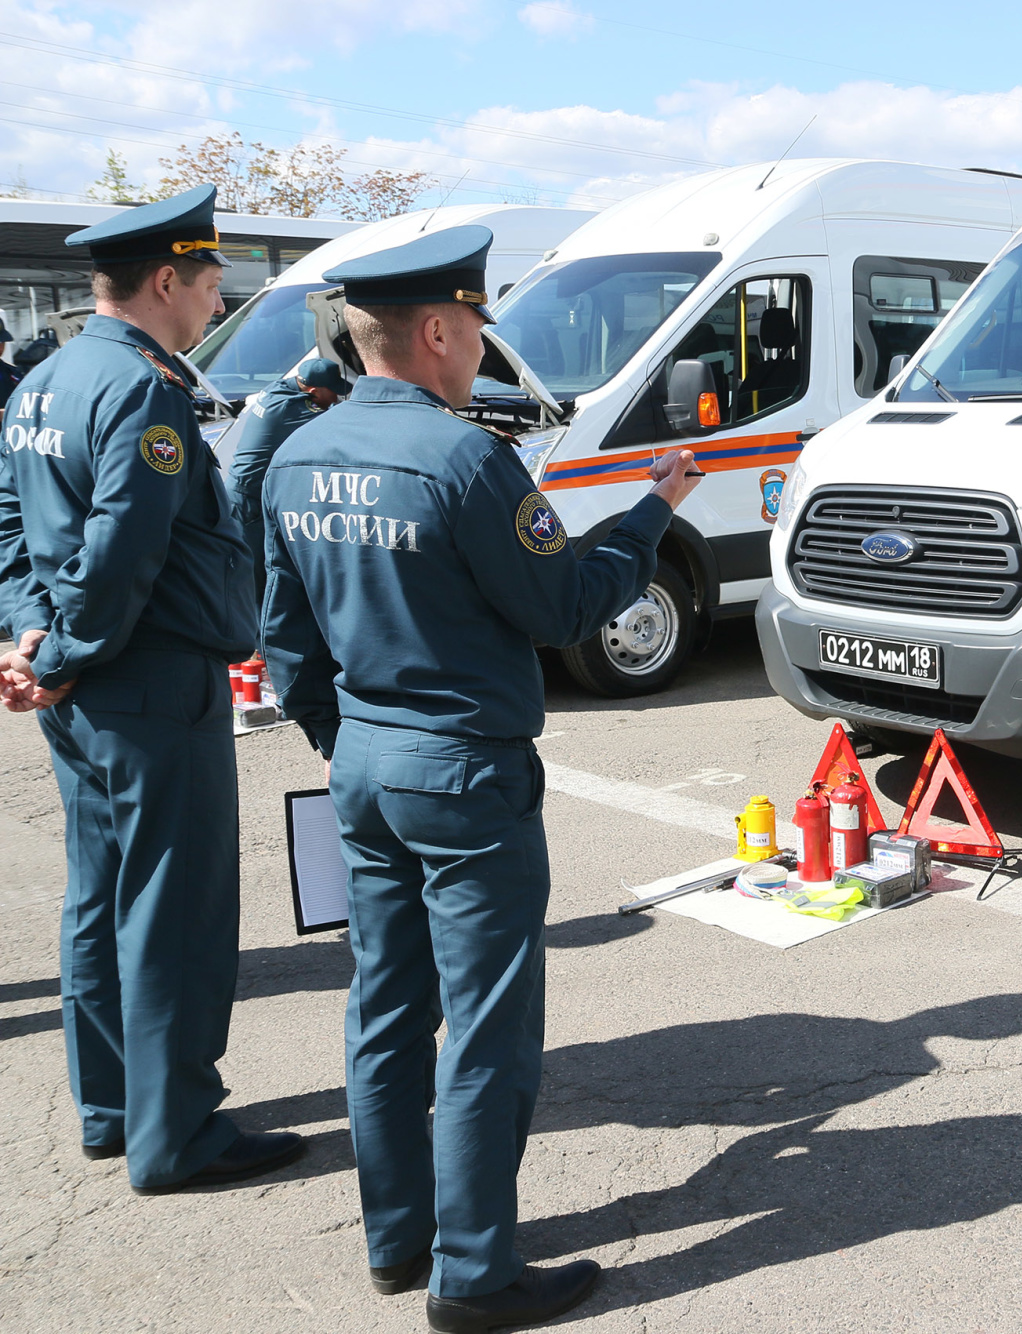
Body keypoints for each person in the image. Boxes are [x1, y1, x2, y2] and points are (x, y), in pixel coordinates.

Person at [260, 225, 701, 1331]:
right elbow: (561, 605)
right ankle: (473, 1271)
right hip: (461, 774)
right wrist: (650, 512)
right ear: (440, 329)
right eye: (478, 330)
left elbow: (284, 641)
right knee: (488, 1022)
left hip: (363, 764)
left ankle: (396, 1239)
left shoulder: (296, 453)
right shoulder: (465, 460)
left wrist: (348, 740)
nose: (482, 351)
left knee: (385, 1011)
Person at [0, 184, 305, 1190]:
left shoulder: (43, 379)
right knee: (173, 904)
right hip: (143, 677)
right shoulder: (141, 388)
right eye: (213, 284)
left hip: (82, 681)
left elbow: (11, 524)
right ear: (167, 279)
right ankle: (178, 1133)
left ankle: (111, 1107)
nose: (217, 305)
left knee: (101, 894)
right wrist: (57, 647)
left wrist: (29, 631)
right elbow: (123, 549)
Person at [227, 356, 351, 600]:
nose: (336, 399)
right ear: (313, 392)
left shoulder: (278, 389)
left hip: (240, 493)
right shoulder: (292, 409)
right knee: (259, 585)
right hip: (248, 501)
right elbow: (341, 427)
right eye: (333, 393)